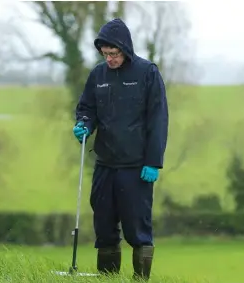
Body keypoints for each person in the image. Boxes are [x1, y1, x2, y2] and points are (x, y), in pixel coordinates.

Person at [72, 18, 169, 281]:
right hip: (105, 163)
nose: (110, 59)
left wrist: (154, 161)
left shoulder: (147, 73)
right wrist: (83, 124)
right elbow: (87, 109)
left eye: (113, 54)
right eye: (105, 54)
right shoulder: (98, 76)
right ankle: (108, 279)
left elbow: (158, 119)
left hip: (136, 167)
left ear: (125, 49)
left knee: (137, 228)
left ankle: (141, 279)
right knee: (104, 227)